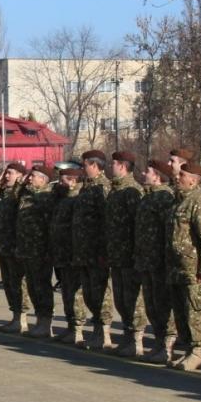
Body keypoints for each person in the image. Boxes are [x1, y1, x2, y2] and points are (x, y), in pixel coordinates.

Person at [165, 161, 201, 371]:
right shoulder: (179, 202)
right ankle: (188, 349)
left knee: (194, 310)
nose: (177, 178)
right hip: (177, 267)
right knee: (180, 311)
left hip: (194, 269)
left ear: (194, 180)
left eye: (182, 175)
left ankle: (198, 351)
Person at [135, 159, 178, 363]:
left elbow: (169, 230)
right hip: (146, 259)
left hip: (160, 260)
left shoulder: (164, 197)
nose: (144, 173)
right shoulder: (148, 197)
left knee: (163, 304)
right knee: (151, 304)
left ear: (158, 176)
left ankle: (168, 346)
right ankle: (159, 342)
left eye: (148, 171)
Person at [105, 151, 148, 357]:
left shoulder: (132, 191)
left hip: (129, 254)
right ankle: (128, 336)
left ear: (122, 166)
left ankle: (137, 339)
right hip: (117, 254)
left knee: (133, 298)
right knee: (121, 299)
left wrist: (135, 252)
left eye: (113, 163)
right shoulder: (116, 190)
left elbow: (138, 225)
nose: (110, 166)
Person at [74, 150, 114, 350]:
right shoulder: (86, 188)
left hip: (97, 251)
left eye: (85, 165)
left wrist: (103, 251)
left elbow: (107, 222)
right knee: (89, 293)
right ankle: (97, 331)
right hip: (84, 251)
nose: (83, 168)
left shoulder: (103, 187)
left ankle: (105, 334)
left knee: (101, 293)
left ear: (95, 166)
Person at [16, 165, 57, 337]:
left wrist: (48, 248)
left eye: (33, 176)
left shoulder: (46, 196)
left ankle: (46, 322)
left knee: (42, 286)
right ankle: (40, 321)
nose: (29, 179)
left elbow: (50, 225)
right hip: (27, 248)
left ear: (43, 179)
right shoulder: (28, 194)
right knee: (32, 286)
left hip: (41, 250)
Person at [51, 167, 87, 345]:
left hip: (73, 252)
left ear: (73, 180)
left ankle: (78, 329)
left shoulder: (77, 198)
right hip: (62, 252)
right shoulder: (63, 198)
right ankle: (70, 326)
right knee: (66, 291)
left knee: (75, 293)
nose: (59, 183)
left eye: (62, 180)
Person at [0, 163, 30, 333]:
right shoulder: (3, 191)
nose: (6, 176)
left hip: (15, 245)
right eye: (5, 173)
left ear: (20, 175)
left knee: (18, 283)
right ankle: (15, 317)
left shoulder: (21, 191)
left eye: (10, 173)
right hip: (3, 245)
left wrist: (19, 183)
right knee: (8, 283)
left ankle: (21, 319)